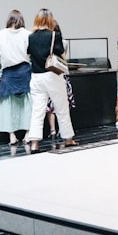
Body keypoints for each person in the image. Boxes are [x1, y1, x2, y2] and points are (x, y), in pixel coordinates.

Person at [25, 8, 77, 151]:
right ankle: (68, 139)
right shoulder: (55, 35)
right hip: (52, 75)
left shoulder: (31, 37)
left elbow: (29, 54)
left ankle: (34, 143)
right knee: (61, 108)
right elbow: (62, 55)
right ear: (50, 20)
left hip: (36, 77)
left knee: (37, 110)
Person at [0, 9, 31, 146]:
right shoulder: (27, 34)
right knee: (28, 104)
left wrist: (4, 51)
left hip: (9, 73)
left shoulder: (2, 33)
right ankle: (28, 135)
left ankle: (12, 136)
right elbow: (31, 52)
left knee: (8, 105)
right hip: (25, 71)